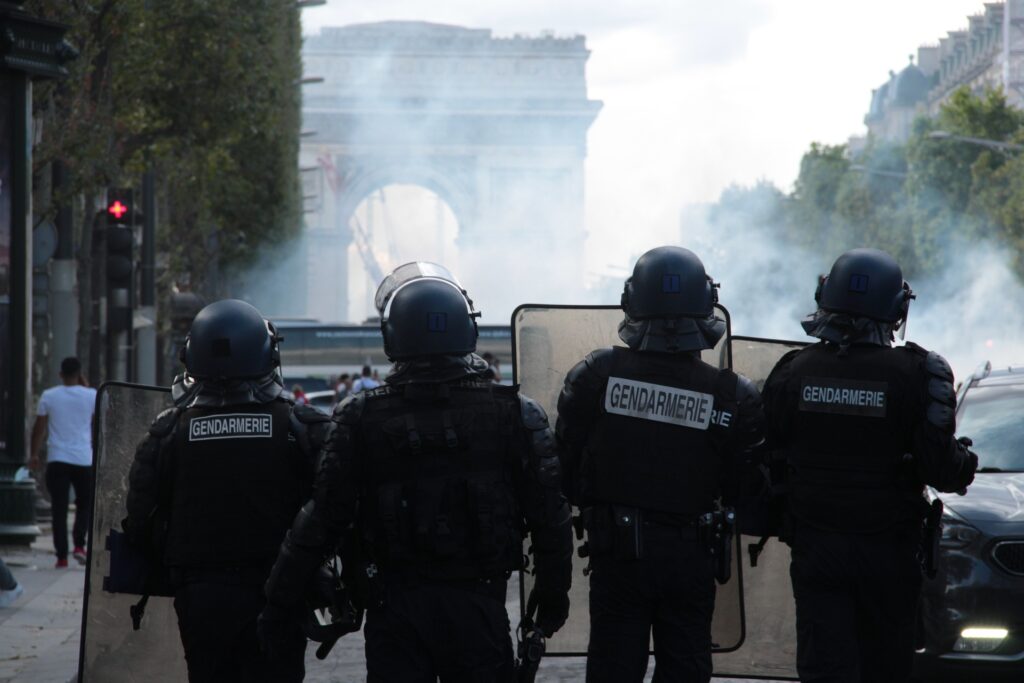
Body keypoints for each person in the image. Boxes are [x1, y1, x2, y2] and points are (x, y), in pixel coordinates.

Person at [259, 262, 573, 681]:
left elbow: (323, 517)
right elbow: (550, 515)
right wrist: (553, 595)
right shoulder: (515, 413)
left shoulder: (359, 416)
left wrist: (279, 598)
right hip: (479, 606)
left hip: (395, 612)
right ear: (468, 329)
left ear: (393, 337)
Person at [761, 248, 977, 683]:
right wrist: (966, 461)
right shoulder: (921, 373)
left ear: (826, 296)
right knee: (885, 666)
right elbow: (942, 470)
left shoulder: (793, 371)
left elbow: (765, 457)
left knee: (825, 668)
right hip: (888, 551)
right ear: (897, 308)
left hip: (817, 547)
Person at [555, 246, 765, 683]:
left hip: (619, 555)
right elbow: (743, 487)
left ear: (632, 301)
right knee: (686, 668)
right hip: (691, 557)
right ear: (706, 304)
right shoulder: (734, 395)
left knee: (613, 667)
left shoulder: (596, 374)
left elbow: (566, 468)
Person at [122, 299, 331, 683]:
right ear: (268, 353)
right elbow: (332, 508)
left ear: (191, 354)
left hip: (200, 593)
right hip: (280, 589)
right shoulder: (302, 425)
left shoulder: (168, 430)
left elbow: (139, 517)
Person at [30, 357, 96, 569]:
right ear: (79, 373)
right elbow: (100, 422)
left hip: (58, 458)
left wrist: (33, 454)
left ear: (60, 374)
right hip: (83, 458)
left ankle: (62, 556)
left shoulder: (49, 395)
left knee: (58, 508)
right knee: (84, 504)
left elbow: (39, 428)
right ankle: (79, 545)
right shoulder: (92, 395)